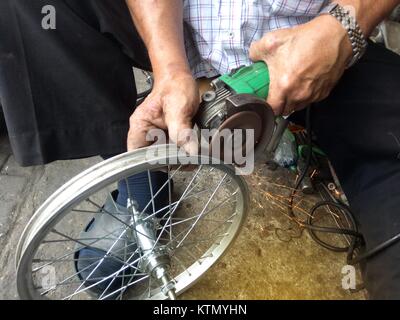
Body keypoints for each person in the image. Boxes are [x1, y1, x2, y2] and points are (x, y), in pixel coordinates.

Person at [1, 0, 399, 299]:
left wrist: (345, 27)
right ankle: (140, 184)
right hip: (187, 30)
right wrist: (169, 67)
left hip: (316, 39)